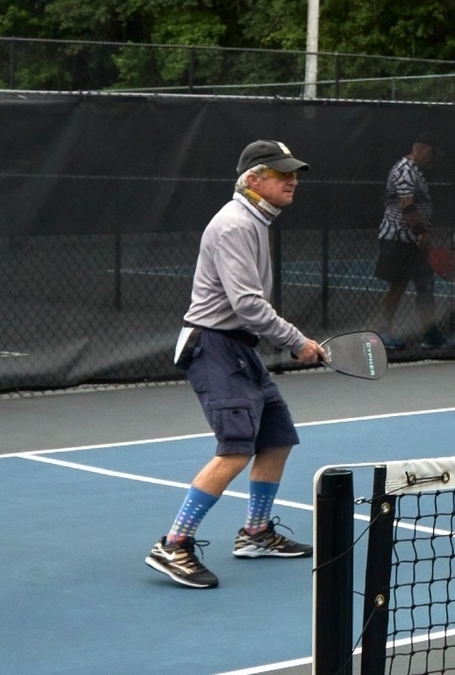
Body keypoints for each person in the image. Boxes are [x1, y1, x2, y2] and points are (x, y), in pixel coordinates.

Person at [145, 139, 326, 588]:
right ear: (252, 179)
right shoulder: (234, 225)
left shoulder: (255, 220)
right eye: (281, 173)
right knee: (236, 448)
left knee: (277, 437)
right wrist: (296, 341)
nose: (292, 180)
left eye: (294, 173)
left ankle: (256, 533)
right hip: (213, 347)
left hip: (238, 348)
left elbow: (247, 310)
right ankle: (174, 543)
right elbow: (247, 304)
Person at [374, 132, 447, 351]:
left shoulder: (416, 171)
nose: (431, 159)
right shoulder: (404, 171)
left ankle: (430, 332)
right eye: (430, 153)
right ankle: (382, 333)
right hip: (399, 239)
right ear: (420, 148)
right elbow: (407, 205)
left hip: (415, 241)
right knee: (397, 286)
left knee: (425, 285)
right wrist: (421, 233)